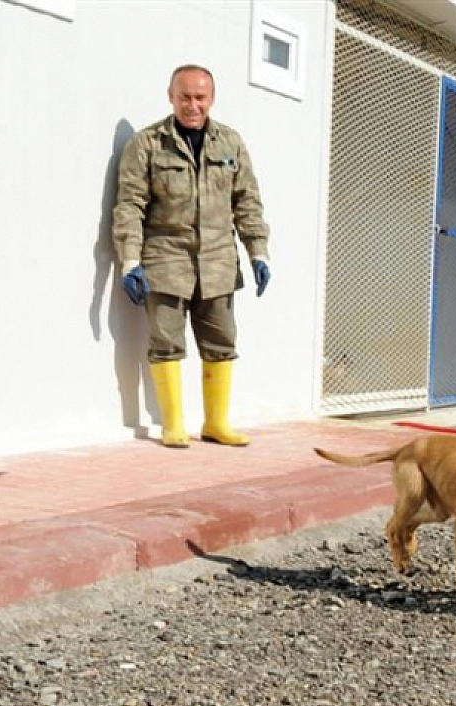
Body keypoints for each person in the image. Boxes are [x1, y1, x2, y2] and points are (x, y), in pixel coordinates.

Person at [112, 64, 271, 448]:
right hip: (166, 260)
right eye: (185, 97)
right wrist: (130, 260)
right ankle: (173, 425)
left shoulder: (230, 143)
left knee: (221, 342)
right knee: (166, 342)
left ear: (211, 99)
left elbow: (247, 202)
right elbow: (130, 205)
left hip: (218, 262)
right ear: (171, 96)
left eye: (200, 97)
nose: (192, 105)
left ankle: (216, 423)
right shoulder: (148, 144)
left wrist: (258, 253)